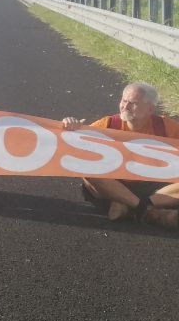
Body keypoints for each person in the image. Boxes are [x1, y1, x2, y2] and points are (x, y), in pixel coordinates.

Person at [60, 81, 179, 228]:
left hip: (154, 188)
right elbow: (75, 145)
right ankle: (147, 211)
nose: (125, 106)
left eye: (133, 103)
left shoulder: (166, 126)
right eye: (124, 100)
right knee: (87, 169)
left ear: (150, 109)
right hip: (113, 186)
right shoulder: (108, 124)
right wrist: (70, 126)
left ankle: (134, 206)